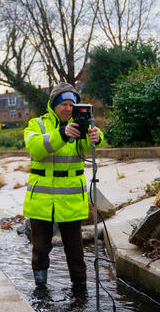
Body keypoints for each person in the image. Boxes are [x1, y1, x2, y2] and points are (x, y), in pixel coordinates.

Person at [23, 82, 103, 287]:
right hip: (41, 202)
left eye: (71, 104)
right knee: (40, 250)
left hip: (71, 201)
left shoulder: (82, 124)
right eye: (63, 104)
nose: (67, 108)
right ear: (54, 105)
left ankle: (80, 292)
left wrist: (96, 137)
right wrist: (62, 133)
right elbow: (35, 149)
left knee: (76, 252)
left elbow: (88, 146)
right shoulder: (36, 124)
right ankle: (41, 291)